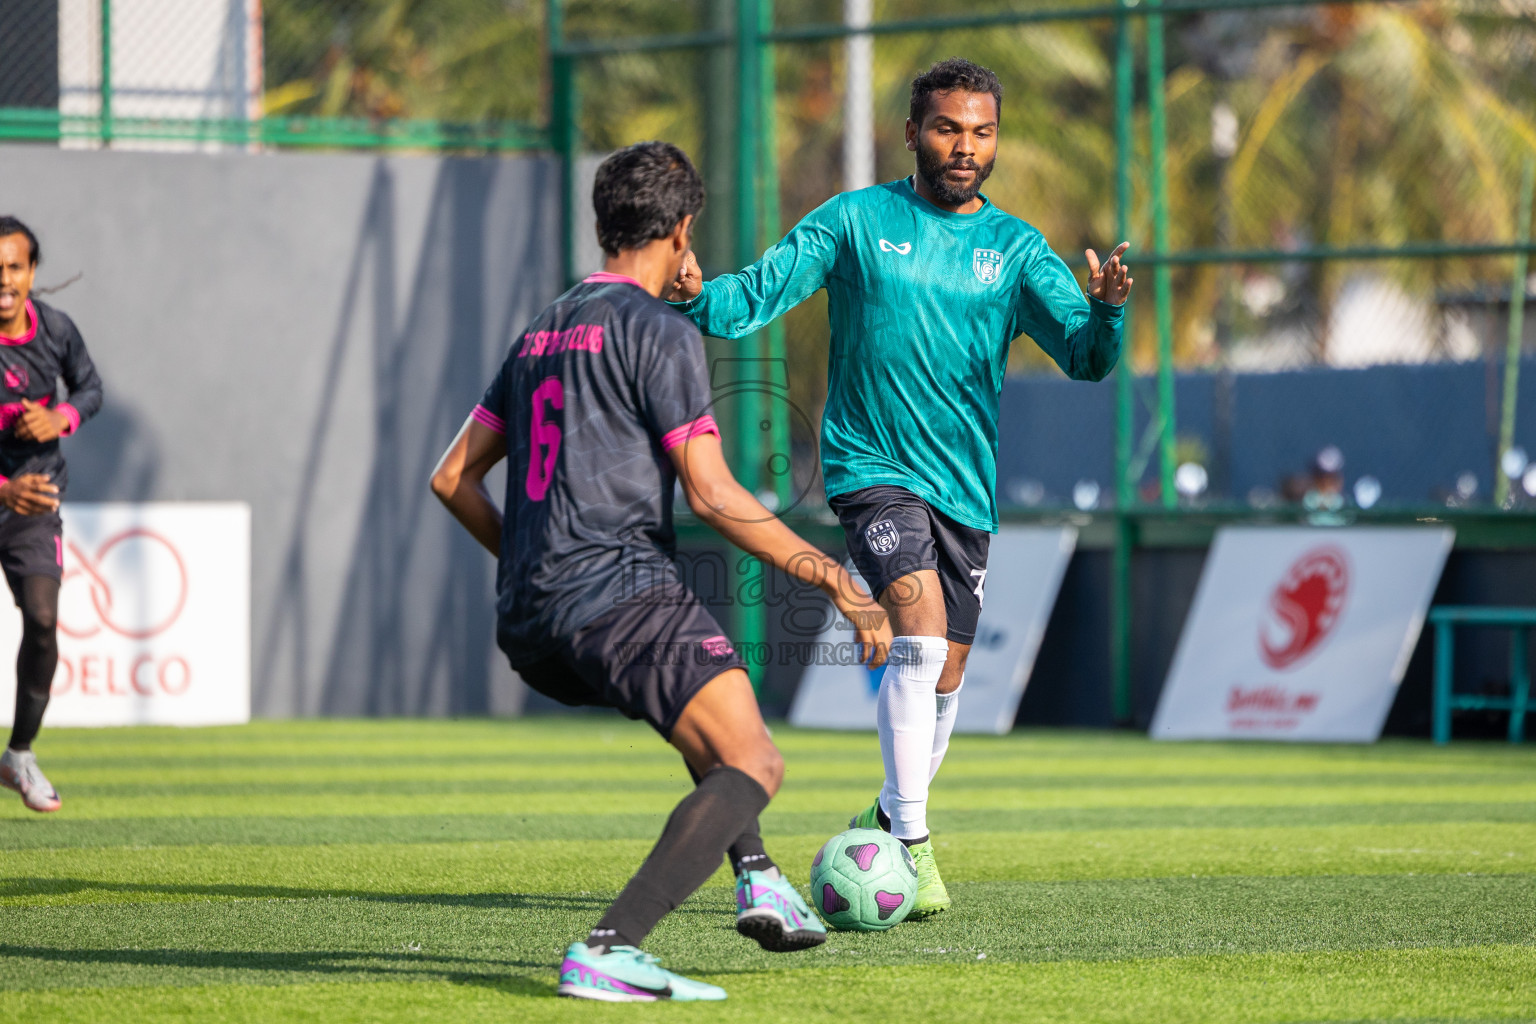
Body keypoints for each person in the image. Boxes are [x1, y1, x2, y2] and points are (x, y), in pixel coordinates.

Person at [667, 58, 1133, 918]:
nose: (966, 146)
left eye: (982, 131)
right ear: (912, 132)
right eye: (949, 128)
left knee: (947, 673)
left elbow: (1086, 360)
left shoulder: (1017, 248)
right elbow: (757, 293)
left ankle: (888, 813)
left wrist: (1104, 311)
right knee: (916, 622)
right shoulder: (855, 221)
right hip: (871, 471)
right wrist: (701, 297)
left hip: (966, 489)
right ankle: (913, 847)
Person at [430, 142, 890, 1002]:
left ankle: (759, 878)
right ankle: (611, 945)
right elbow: (713, 496)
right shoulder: (661, 332)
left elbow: (451, 477)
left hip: (530, 614)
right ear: (682, 231)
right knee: (755, 761)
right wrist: (834, 579)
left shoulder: (541, 331)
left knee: (709, 720)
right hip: (616, 589)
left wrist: (532, 560)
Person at [0, 216, 103, 814]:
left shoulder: (56, 330)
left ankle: (19, 754)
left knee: (42, 619)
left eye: (14, 266)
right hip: (4, 494)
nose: (4, 279)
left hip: (33, 507)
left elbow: (90, 389)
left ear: (32, 272)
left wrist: (61, 417)